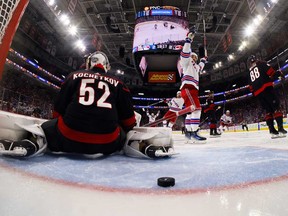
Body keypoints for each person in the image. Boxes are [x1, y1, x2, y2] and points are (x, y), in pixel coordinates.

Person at [0, 51, 175, 159]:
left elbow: (57, 110)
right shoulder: (119, 83)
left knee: (45, 127)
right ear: (106, 66)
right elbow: (129, 121)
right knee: (127, 133)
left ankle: (31, 144)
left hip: (68, 139)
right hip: (107, 144)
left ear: (89, 64)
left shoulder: (74, 76)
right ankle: (141, 146)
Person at [248, 55, 287, 138]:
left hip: (258, 94)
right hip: (267, 89)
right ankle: (280, 129)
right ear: (256, 59)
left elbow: (251, 88)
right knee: (276, 108)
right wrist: (279, 73)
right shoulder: (261, 64)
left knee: (268, 111)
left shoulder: (249, 72)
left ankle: (272, 131)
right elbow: (271, 73)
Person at [180, 31, 207, 143]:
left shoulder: (196, 67)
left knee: (191, 112)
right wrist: (188, 41)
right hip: (188, 88)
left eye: (195, 57)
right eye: (193, 56)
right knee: (197, 109)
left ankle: (189, 134)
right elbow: (185, 53)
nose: (194, 58)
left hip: (192, 89)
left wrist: (204, 59)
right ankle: (195, 133)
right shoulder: (187, 62)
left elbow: (201, 65)